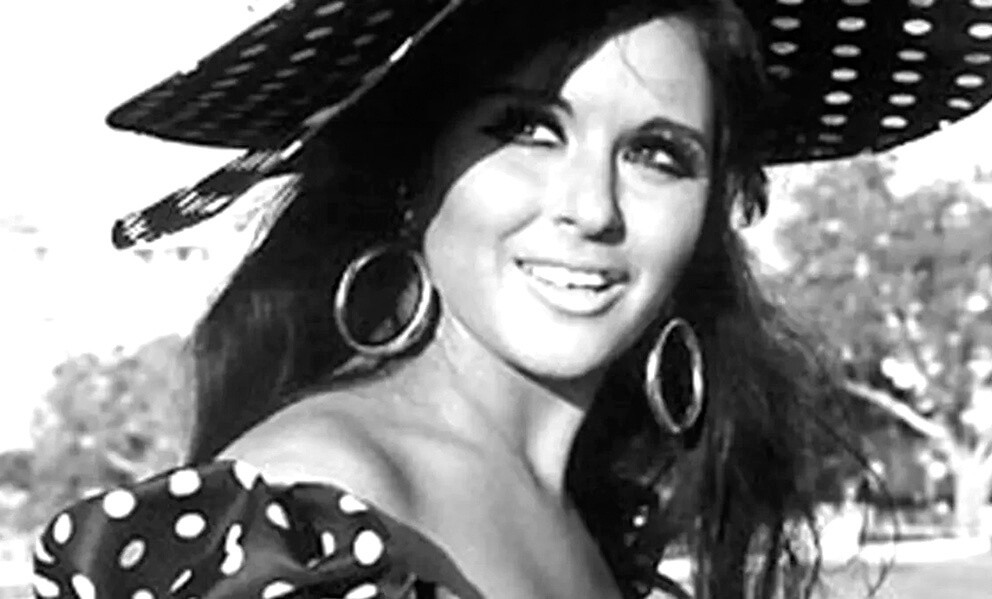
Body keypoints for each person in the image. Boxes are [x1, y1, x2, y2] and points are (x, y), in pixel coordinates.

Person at [32, 1, 992, 598]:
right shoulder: (298, 520)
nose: (592, 208)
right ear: (416, 171)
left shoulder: (591, 519)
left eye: (657, 154)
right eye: (528, 129)